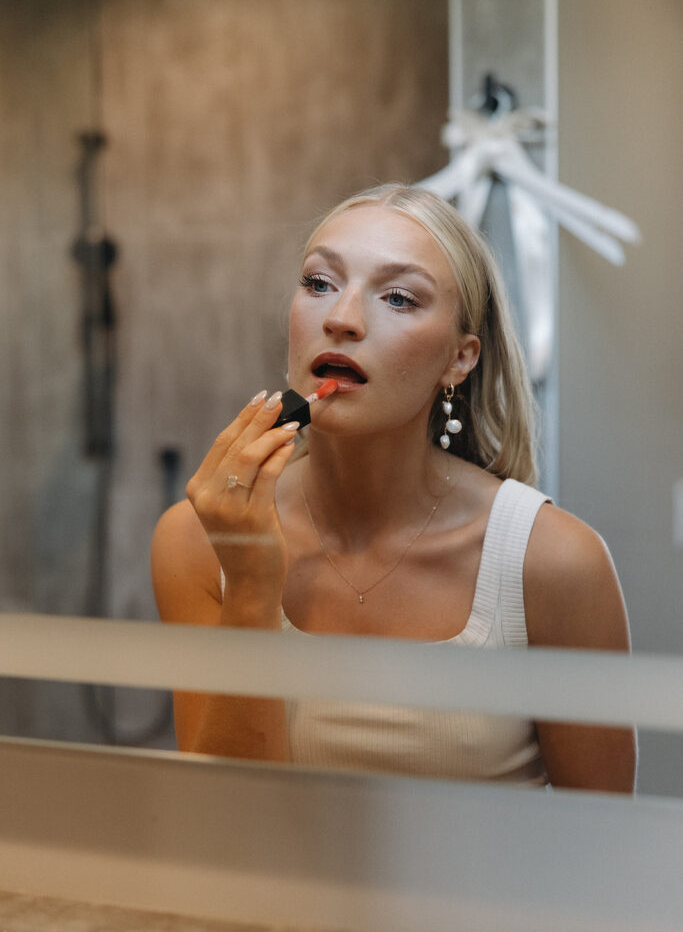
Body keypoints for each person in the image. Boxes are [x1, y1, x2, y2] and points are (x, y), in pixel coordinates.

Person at [152, 183, 636, 792]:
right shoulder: (197, 542)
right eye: (319, 282)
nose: (341, 318)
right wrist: (250, 582)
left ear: (459, 360)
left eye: (400, 298)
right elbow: (224, 831)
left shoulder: (554, 563)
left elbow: (603, 857)